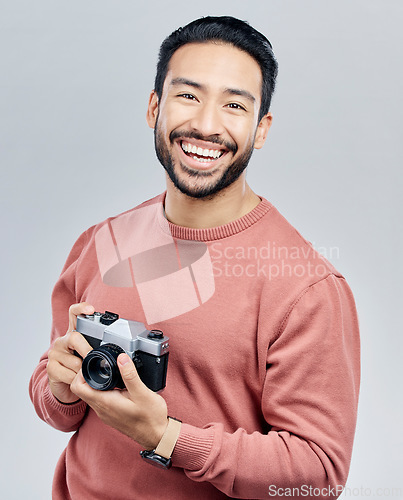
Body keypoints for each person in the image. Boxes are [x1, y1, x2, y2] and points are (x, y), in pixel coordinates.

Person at [29, 16, 360, 500]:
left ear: (261, 129)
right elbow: (55, 399)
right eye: (188, 95)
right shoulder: (101, 241)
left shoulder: (307, 288)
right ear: (153, 108)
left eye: (233, 105)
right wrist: (59, 388)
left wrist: (165, 438)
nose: (206, 125)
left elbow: (319, 475)